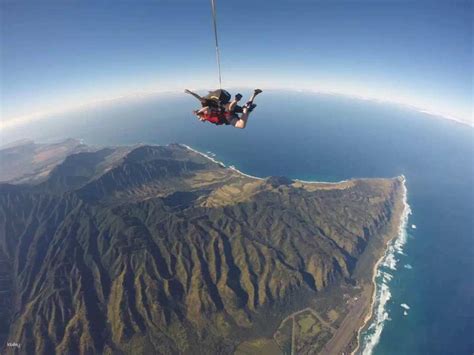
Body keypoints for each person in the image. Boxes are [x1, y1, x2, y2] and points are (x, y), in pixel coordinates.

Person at [185, 89, 262, 129]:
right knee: (243, 109)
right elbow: (202, 100)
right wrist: (191, 93)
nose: (200, 119)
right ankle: (254, 94)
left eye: (199, 118)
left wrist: (198, 112)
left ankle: (241, 104)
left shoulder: (206, 113)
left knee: (233, 112)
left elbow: (205, 105)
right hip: (226, 111)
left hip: (226, 112)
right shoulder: (207, 113)